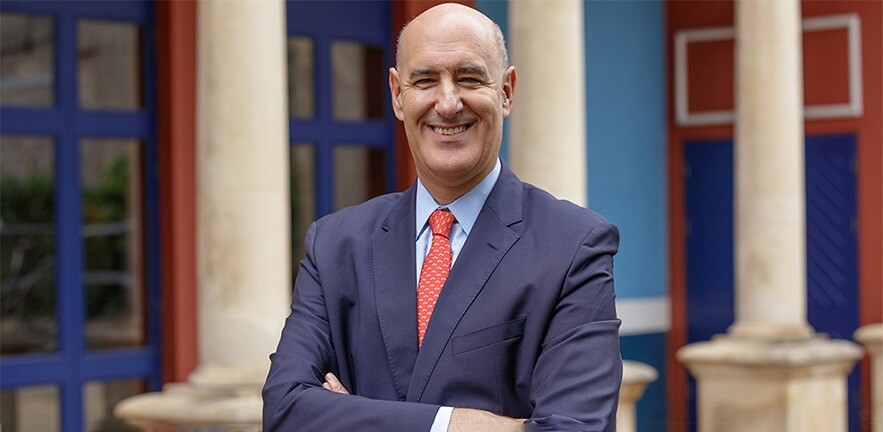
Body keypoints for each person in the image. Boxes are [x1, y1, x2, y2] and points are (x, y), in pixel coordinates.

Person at [262, 3, 621, 431]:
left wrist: (349, 415)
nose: (448, 104)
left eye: (469, 78)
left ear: (506, 91)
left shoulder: (573, 246)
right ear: (398, 95)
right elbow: (285, 412)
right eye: (425, 80)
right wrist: (461, 423)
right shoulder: (335, 244)